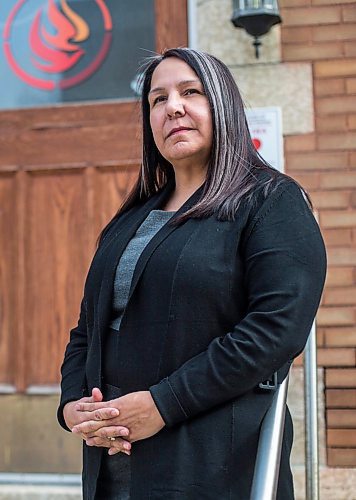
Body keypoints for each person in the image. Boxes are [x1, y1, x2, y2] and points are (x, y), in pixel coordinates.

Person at [57, 47, 326, 500]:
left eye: (190, 92)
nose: (172, 107)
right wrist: (72, 406)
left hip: (212, 462)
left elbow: (274, 331)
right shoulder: (129, 221)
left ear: (222, 104)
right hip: (114, 463)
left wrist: (163, 404)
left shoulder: (270, 201)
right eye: (157, 100)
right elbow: (88, 329)